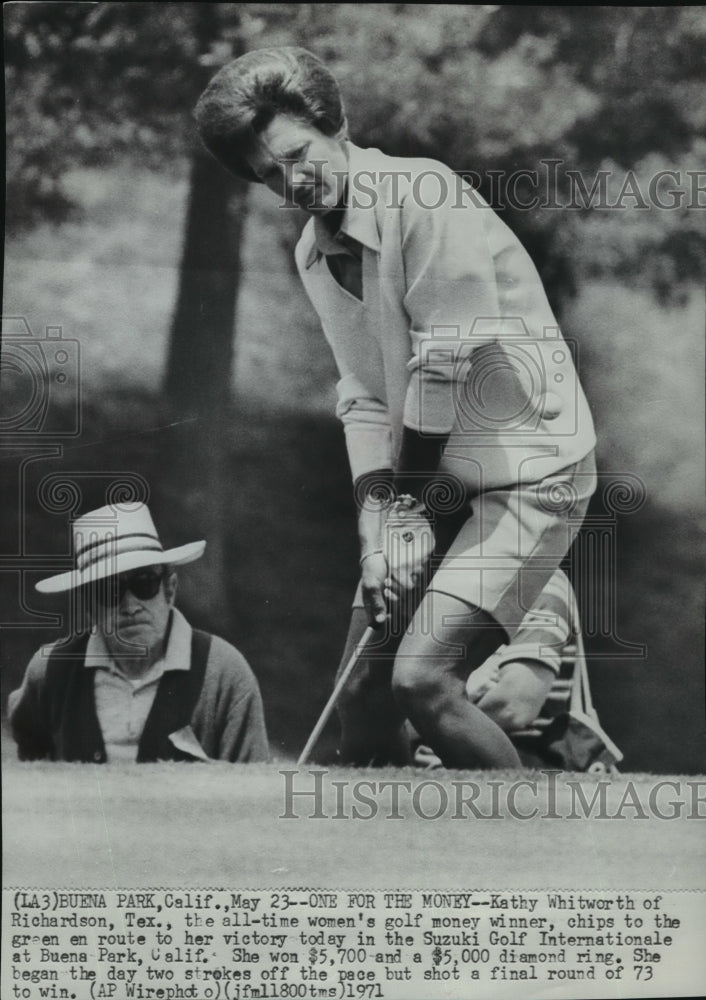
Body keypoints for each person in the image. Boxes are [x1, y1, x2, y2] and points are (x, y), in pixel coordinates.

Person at [193, 46, 597, 769]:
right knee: (363, 703)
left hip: (532, 474)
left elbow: (448, 366)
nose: (293, 181)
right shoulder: (314, 256)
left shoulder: (425, 199)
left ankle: (532, 857)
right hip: (433, 478)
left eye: (297, 154)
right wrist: (378, 529)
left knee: (422, 679)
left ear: (336, 124)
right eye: (269, 175)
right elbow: (364, 400)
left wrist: (407, 511)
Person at [9, 503, 269, 763]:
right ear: (88, 605)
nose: (131, 606)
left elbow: (254, 789)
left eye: (145, 583)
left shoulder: (224, 673)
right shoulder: (49, 671)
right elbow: (30, 769)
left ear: (170, 590)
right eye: (108, 591)